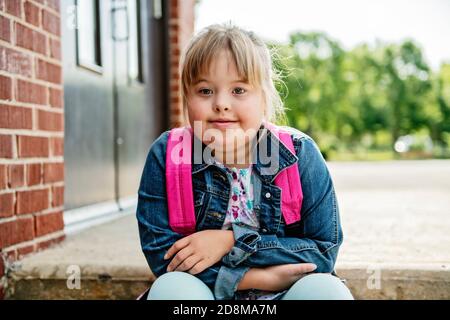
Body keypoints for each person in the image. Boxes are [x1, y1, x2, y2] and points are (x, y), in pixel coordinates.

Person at [136, 23, 353, 300]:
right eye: (205, 91)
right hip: (205, 292)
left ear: (263, 96)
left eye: (238, 90)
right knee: (171, 289)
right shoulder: (167, 155)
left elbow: (323, 251)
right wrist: (253, 278)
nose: (221, 104)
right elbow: (162, 255)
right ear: (186, 98)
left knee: (327, 291)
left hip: (283, 293)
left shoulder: (300, 154)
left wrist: (231, 241)